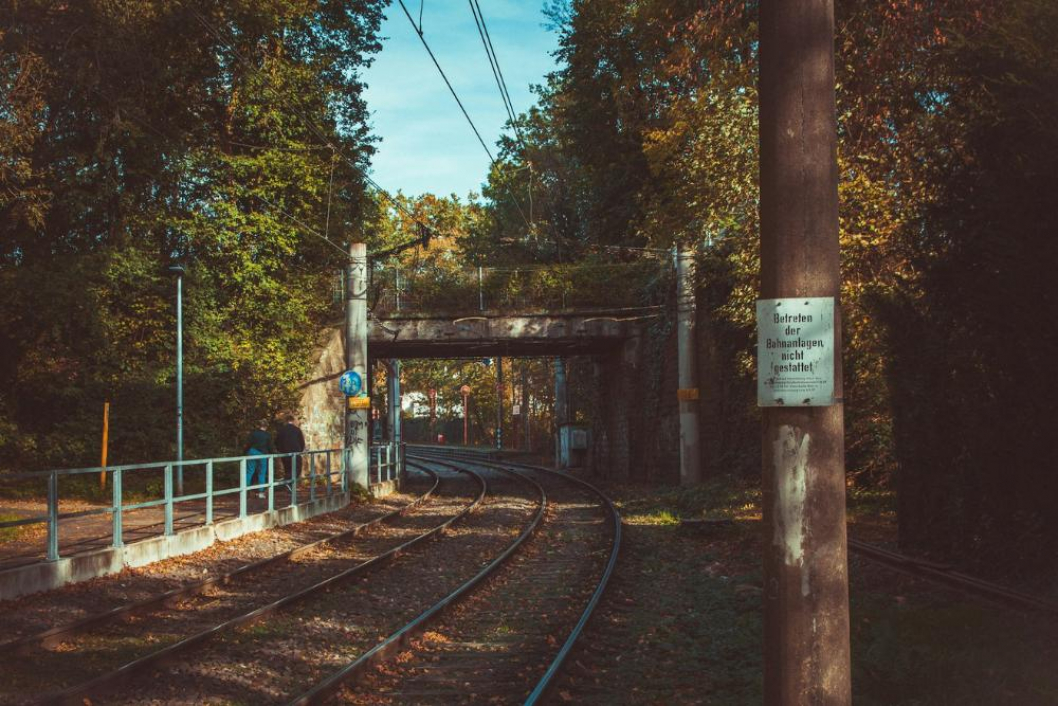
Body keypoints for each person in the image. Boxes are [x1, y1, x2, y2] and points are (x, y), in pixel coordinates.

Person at [244, 421, 274, 499]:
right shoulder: (267, 435)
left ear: (259, 426)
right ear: (266, 426)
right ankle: (261, 492)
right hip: (262, 454)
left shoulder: (253, 433)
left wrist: (245, 452)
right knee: (262, 473)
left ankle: (245, 491)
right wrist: (272, 454)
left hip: (252, 452)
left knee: (249, 472)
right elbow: (270, 447)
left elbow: (248, 444)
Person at [275, 414, 306, 485]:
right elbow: (301, 442)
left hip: (285, 453)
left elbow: (277, 441)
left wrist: (280, 450)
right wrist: (300, 451)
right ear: (293, 421)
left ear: (286, 421)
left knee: (287, 470)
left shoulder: (282, 430)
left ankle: (288, 486)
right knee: (296, 470)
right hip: (295, 453)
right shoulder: (297, 430)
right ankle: (291, 486)